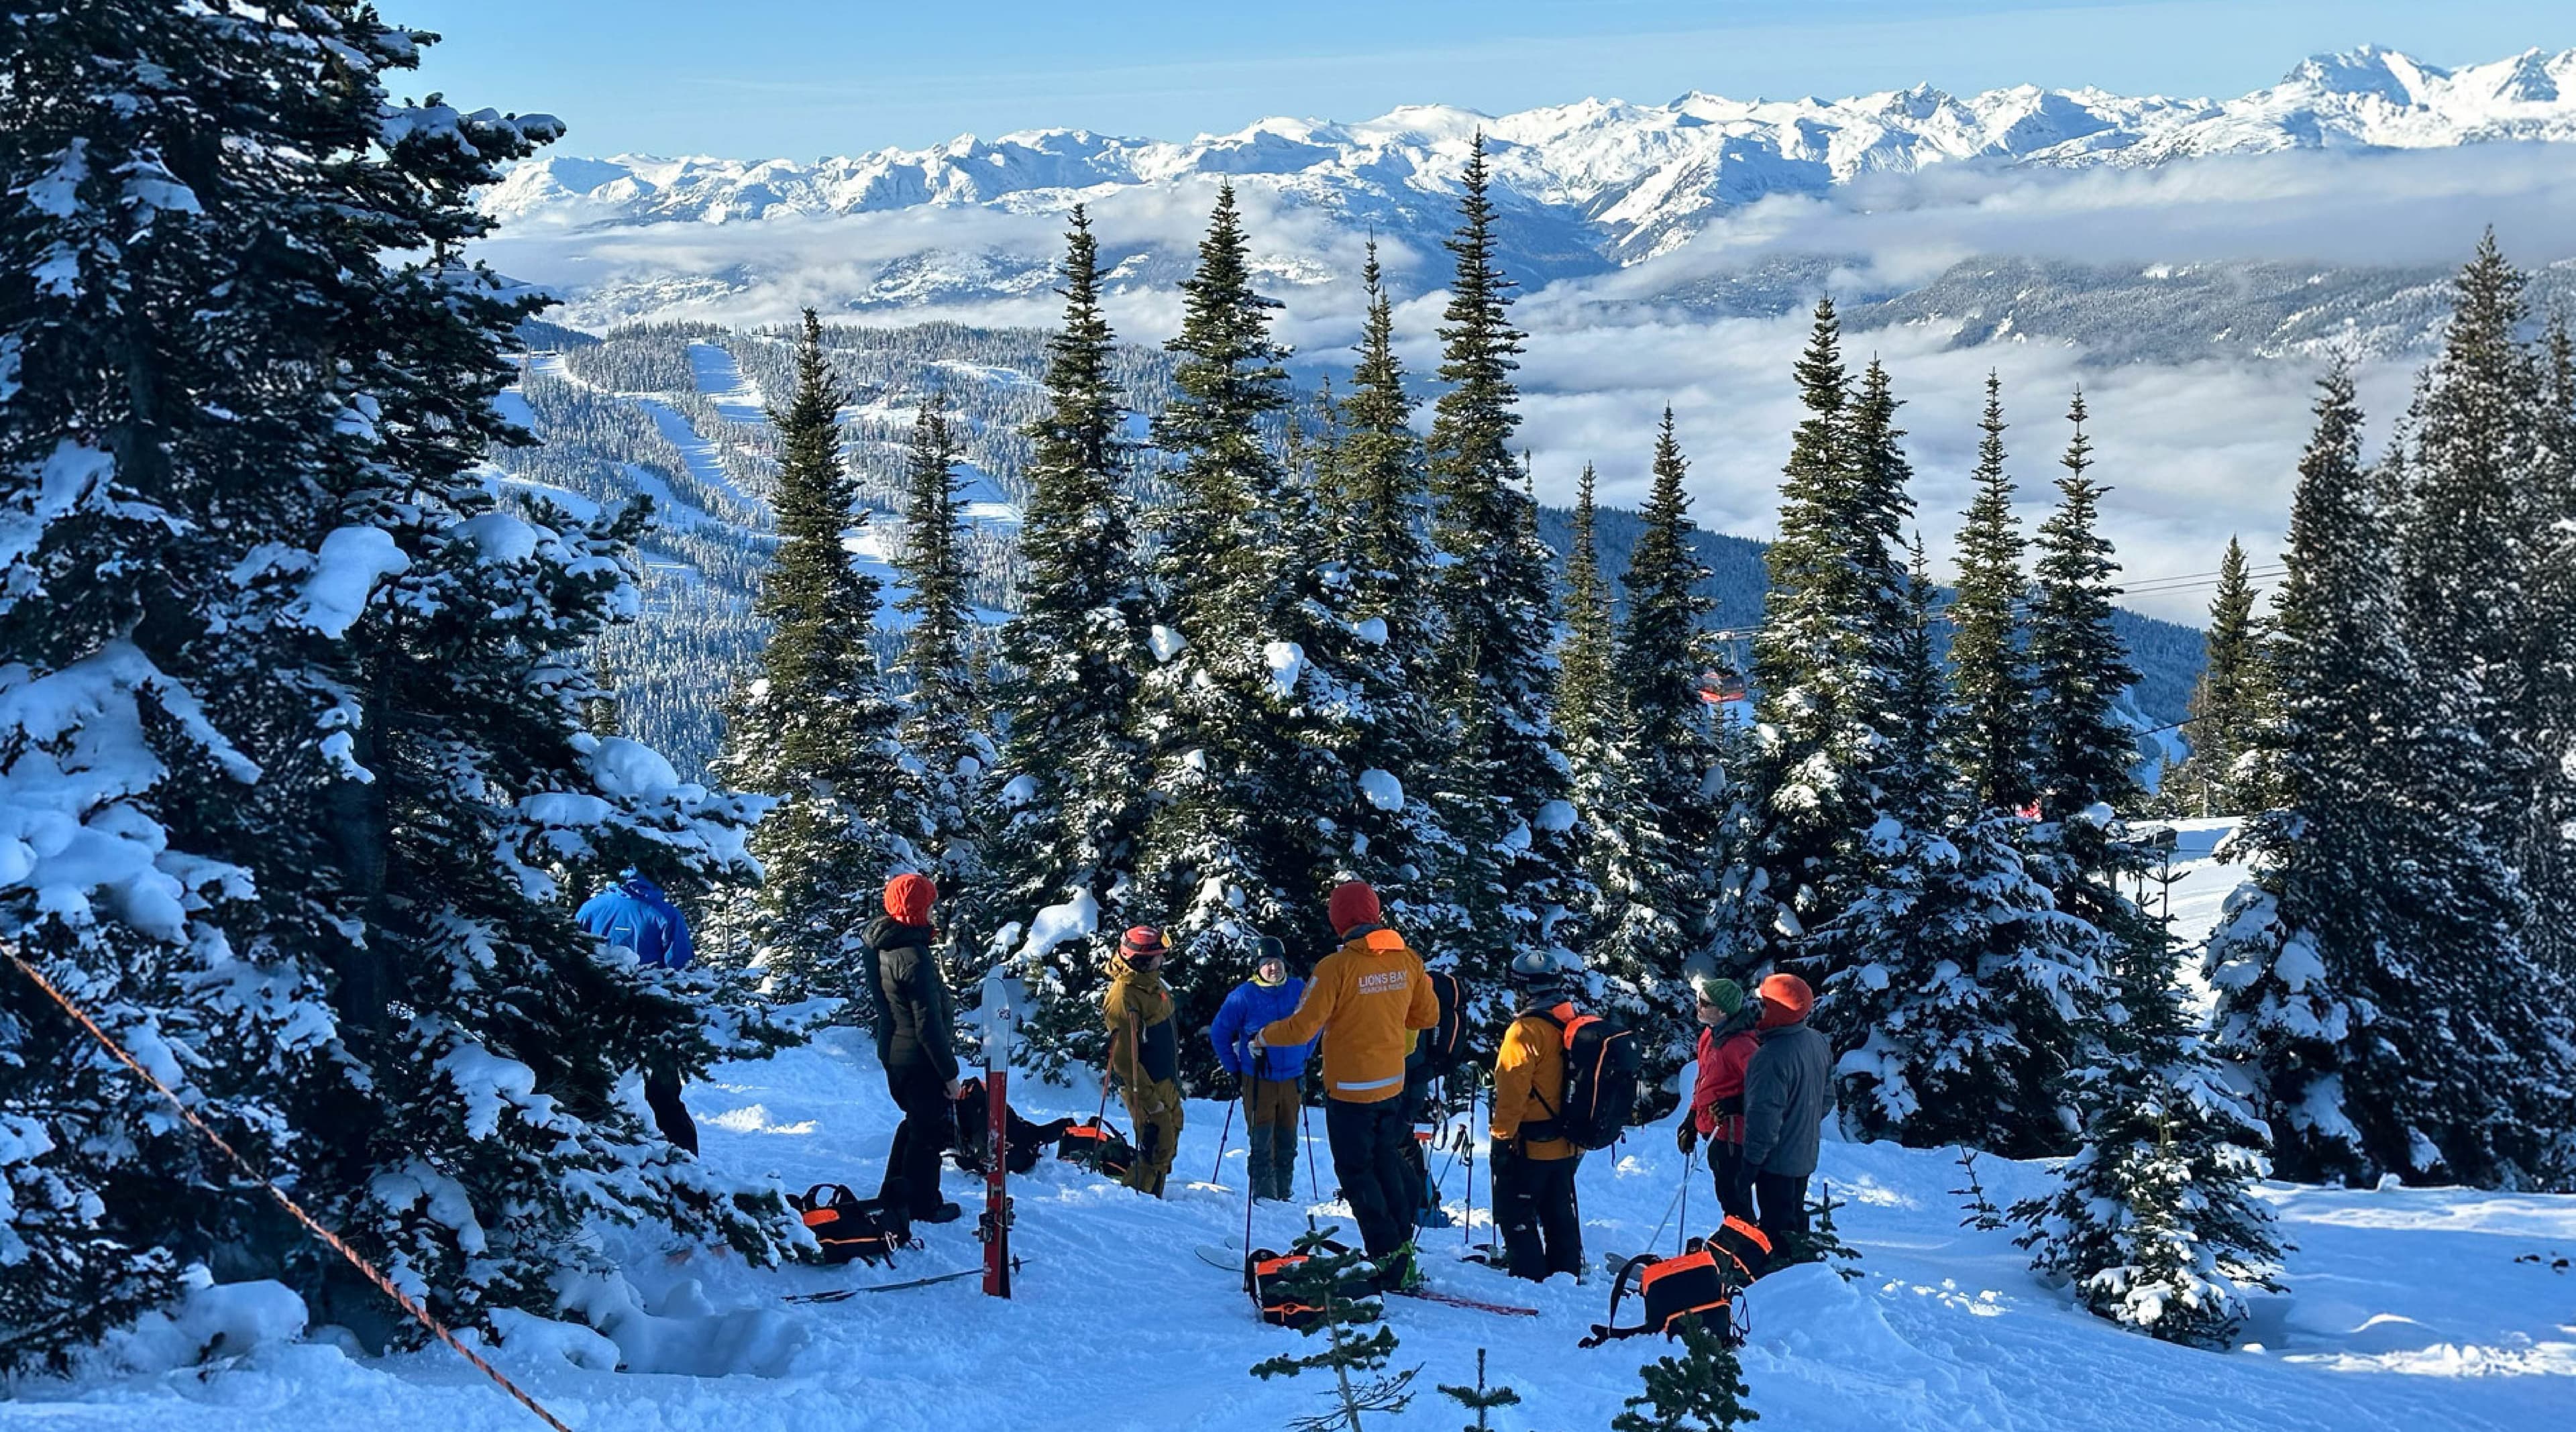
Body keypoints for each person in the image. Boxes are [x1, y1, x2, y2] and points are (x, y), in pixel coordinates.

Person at [1254, 881, 1438, 1288]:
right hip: (1391, 1086)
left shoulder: (1336, 967)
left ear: (1338, 920)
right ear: (1375, 913)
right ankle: (1401, 1248)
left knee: (1358, 1173)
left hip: (1351, 1091)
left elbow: (1301, 1029)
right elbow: (1427, 1016)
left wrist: (1262, 1037)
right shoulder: (1408, 959)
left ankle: (1387, 1258)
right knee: (1386, 1162)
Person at [576, 869, 701, 1155]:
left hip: (599, 1015)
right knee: (664, 1096)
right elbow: (681, 970)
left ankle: (596, 1157)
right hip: (656, 1016)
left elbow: (573, 956)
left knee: (597, 1090)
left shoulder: (591, 909)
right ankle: (687, 1162)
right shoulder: (665, 914)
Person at [867, 872, 963, 1223]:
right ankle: (923, 1204)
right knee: (928, 1133)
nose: (934, 912)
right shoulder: (913, 956)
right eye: (930, 906)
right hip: (918, 1058)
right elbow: (928, 1024)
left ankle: (895, 1193)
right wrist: (950, 1075)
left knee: (916, 1124)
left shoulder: (882, 944)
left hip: (894, 1053)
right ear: (917, 909)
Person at [1487, 951, 1585, 1282]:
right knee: (1558, 1212)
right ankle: (1566, 1274)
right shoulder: (1572, 1021)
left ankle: (1529, 1277)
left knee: (1514, 1211)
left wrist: (1501, 1139)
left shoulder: (1525, 1031)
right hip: (1568, 1141)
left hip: (1531, 1143)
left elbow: (1512, 1093)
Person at [1731, 972, 1832, 1255]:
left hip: (1776, 1162)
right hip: (1805, 1155)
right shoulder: (1817, 1041)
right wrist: (1802, 1124)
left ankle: (1782, 1275)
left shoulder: (1770, 1056)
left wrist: (1750, 1165)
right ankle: (1800, 1267)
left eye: (1764, 1005)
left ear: (1779, 1010)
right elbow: (1827, 1098)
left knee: (1776, 1235)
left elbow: (1763, 1120)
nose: (1759, 1011)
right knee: (1795, 1223)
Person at [1209, 936, 1314, 1202]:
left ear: (1284, 963)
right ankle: (1265, 1198)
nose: (1273, 968)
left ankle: (1283, 1194)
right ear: (1257, 967)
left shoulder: (1298, 989)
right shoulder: (1244, 995)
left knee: (1288, 1141)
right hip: (1258, 1079)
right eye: (1266, 963)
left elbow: (1316, 1023)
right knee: (1262, 1141)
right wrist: (1233, 1069)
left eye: (1276, 962)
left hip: (1292, 1079)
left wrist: (1304, 1054)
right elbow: (1219, 1033)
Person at [1104, 926, 1184, 1198]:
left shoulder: (1150, 983)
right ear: (1141, 960)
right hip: (1147, 1085)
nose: (1163, 959)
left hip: (1165, 1080)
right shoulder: (1123, 996)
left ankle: (1154, 1200)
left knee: (1166, 1147)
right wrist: (1150, 1101)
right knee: (1155, 1146)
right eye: (1158, 956)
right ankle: (1136, 1204)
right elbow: (1124, 1060)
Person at [1676, 973, 1760, 1223]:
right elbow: (1705, 1081)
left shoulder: (1740, 1045)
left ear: (1723, 1011)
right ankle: (1737, 1238)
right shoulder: (1710, 1035)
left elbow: (1766, 1087)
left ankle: (1744, 1241)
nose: (1698, 1006)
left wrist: (1736, 1104)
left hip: (1733, 1134)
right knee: (1727, 1196)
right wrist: (1692, 1117)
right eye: (1699, 999)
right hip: (1713, 1127)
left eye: (1705, 1003)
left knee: (1735, 1199)